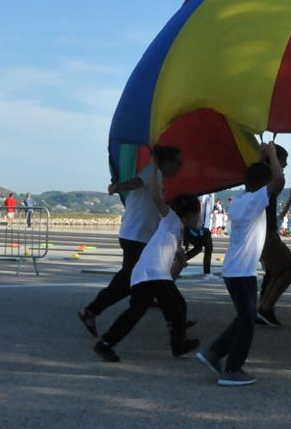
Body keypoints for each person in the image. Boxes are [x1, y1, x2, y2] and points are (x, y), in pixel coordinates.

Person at [196, 143, 285, 387]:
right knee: (247, 321)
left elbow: (255, 176)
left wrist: (260, 158)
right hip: (243, 271)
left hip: (233, 269)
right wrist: (273, 156)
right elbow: (278, 179)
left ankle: (213, 353)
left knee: (242, 317)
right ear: (261, 186)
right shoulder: (255, 201)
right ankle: (232, 369)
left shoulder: (241, 199)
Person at [77, 146, 183, 336]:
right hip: (136, 236)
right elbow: (136, 182)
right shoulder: (153, 171)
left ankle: (175, 321)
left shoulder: (156, 174)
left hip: (140, 235)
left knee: (150, 277)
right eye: (178, 162)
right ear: (166, 162)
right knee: (131, 280)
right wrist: (118, 187)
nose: (180, 167)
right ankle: (91, 311)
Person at [92, 190, 202, 363]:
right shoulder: (171, 219)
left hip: (145, 273)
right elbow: (157, 198)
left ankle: (106, 343)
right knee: (178, 305)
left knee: (137, 312)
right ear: (189, 215)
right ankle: (178, 343)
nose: (200, 220)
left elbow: (175, 266)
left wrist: (179, 263)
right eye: (198, 215)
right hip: (153, 273)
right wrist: (155, 166)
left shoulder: (176, 231)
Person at [256, 147, 291, 327]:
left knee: (276, 271)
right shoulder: (267, 184)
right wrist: (272, 154)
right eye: (284, 159)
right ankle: (265, 308)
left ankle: (264, 309)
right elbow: (280, 179)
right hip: (268, 234)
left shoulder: (257, 182)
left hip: (263, 233)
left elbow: (255, 172)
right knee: (290, 269)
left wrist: (263, 155)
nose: (286, 164)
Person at [183, 192, 217, 278]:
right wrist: (198, 222)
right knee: (208, 247)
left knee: (198, 248)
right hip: (199, 228)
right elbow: (200, 206)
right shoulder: (203, 195)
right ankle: (207, 273)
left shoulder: (210, 195)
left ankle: (181, 260)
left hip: (201, 227)